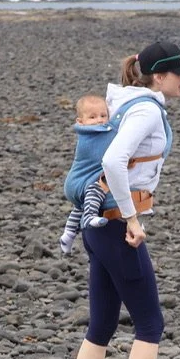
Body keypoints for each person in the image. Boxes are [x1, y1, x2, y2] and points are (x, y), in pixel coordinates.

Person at [59, 41, 180, 359]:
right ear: (159, 77)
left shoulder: (121, 101)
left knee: (101, 326)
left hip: (96, 226)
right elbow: (115, 162)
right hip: (117, 226)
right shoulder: (145, 109)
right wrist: (133, 219)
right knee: (150, 324)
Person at [59, 95, 112, 255]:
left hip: (74, 182)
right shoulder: (92, 135)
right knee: (96, 191)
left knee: (80, 206)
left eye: (104, 116)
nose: (99, 121)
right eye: (93, 117)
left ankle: (68, 234)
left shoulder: (88, 132)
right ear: (80, 121)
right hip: (82, 183)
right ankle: (89, 217)